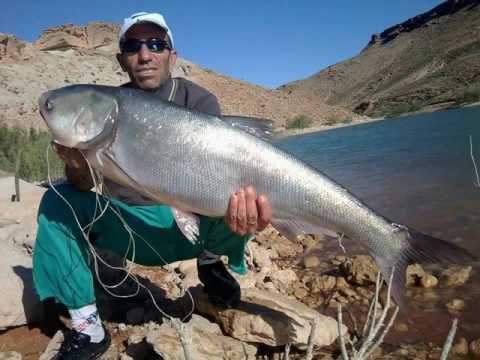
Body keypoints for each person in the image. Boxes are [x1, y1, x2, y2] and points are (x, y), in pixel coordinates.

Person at [33, 11, 272, 360]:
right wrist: (76, 167)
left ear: (172, 55)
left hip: (198, 233)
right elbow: (84, 187)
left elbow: (228, 176)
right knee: (57, 200)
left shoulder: (200, 101)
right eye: (133, 46)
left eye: (156, 44)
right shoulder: (101, 108)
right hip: (131, 231)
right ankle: (88, 328)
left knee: (246, 198)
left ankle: (210, 264)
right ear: (122, 59)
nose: (145, 54)